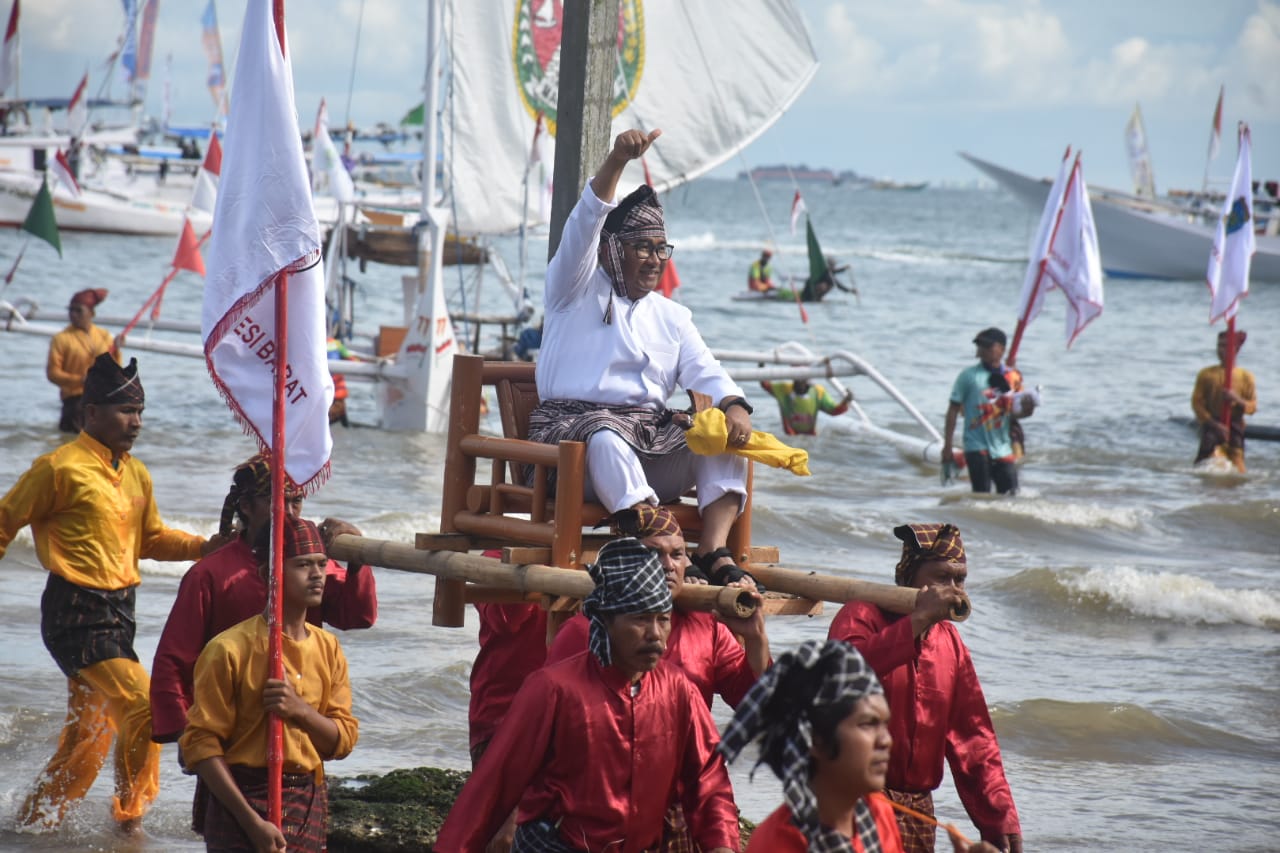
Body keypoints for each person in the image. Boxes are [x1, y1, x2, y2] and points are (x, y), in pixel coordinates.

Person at [0, 353, 224, 834]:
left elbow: (151, 540)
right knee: (146, 704)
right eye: (126, 412)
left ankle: (32, 825)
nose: (136, 423)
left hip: (121, 612)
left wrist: (207, 547)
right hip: (74, 611)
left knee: (91, 737)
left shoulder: (137, 474)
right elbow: (5, 520)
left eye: (140, 412)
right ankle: (131, 820)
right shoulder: (57, 468)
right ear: (90, 414)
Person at [530, 128, 758, 589]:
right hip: (570, 449)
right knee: (607, 436)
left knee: (722, 437)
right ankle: (658, 542)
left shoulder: (672, 315)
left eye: (661, 249)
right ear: (614, 249)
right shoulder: (572, 289)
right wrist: (616, 160)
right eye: (643, 248)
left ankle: (711, 551)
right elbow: (584, 223)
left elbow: (706, 370)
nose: (655, 260)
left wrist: (733, 405)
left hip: (646, 440)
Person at [435, 537, 740, 853]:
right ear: (605, 622)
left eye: (662, 619)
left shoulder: (679, 690)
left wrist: (722, 846)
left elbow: (708, 780)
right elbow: (494, 785)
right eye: (639, 619)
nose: (655, 634)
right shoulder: (553, 689)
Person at [547, 506, 768, 853]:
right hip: (599, 808)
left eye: (678, 554)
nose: (668, 565)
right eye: (654, 553)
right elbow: (547, 743)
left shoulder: (706, 627)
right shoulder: (583, 634)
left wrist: (755, 638)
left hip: (684, 802)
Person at [150, 453, 377, 748]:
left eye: (297, 501)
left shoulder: (310, 564)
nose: (292, 513)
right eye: (281, 501)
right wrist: (187, 737)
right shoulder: (210, 574)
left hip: (299, 722)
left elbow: (357, 616)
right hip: (229, 731)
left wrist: (358, 560)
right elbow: (173, 660)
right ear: (246, 506)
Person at [828, 524, 1022, 853]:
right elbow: (844, 677)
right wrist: (917, 621)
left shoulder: (949, 642)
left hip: (917, 811)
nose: (954, 590)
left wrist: (1000, 817)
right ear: (908, 577)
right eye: (941, 577)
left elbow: (973, 739)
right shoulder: (859, 615)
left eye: (959, 580)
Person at [719, 639, 1002, 853]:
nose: (886, 740)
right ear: (817, 738)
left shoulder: (876, 816)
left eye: (884, 724)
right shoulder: (782, 842)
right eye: (868, 724)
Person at [180, 517, 359, 852]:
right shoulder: (228, 649)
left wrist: (300, 711)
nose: (317, 575)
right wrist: (252, 822)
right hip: (241, 801)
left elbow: (343, 740)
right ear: (268, 574)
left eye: (322, 564)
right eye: (303, 565)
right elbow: (200, 747)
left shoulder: (328, 648)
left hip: (306, 799)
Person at [941, 328, 1034, 495]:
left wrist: (1028, 410)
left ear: (1002, 349)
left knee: (1012, 496)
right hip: (976, 446)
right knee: (981, 496)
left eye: (987, 346)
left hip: (1003, 447)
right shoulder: (968, 376)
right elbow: (953, 410)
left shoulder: (1013, 377)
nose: (982, 350)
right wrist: (947, 446)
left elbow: (1014, 413)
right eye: (980, 346)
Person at [46, 288, 118, 433]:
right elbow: (53, 373)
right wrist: (80, 380)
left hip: (100, 401)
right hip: (74, 402)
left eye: (78, 311)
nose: (73, 314)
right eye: (70, 310)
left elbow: (114, 371)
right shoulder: (61, 339)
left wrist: (116, 349)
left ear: (91, 313)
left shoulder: (104, 336)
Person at [1191, 329, 1257, 472]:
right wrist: (1214, 424)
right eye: (1219, 346)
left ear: (1237, 348)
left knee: (1238, 464)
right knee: (1202, 463)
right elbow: (1196, 404)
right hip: (1212, 424)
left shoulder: (1246, 377)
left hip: (1235, 425)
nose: (1221, 350)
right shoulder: (1206, 374)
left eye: (1226, 346)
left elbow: (1252, 407)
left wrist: (1237, 400)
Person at [761, 377, 853, 435]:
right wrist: (761, 366)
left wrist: (846, 401)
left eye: (804, 382)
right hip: (790, 435)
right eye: (798, 381)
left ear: (808, 383)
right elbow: (766, 385)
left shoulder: (817, 392)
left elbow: (833, 410)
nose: (801, 384)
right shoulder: (784, 389)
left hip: (810, 436)